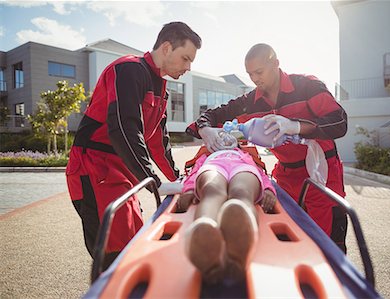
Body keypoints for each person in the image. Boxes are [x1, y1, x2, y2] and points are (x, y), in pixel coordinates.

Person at [186, 43, 349, 252]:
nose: (255, 79)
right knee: (287, 244)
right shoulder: (250, 102)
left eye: (259, 72)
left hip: (323, 176)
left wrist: (295, 126)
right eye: (250, 74)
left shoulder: (307, 86)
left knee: (329, 249)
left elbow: (339, 122)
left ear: (276, 63)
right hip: (286, 178)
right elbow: (210, 116)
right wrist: (205, 130)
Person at [65, 22, 202, 269]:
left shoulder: (161, 87)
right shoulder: (128, 70)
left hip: (124, 173)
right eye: (185, 58)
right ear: (167, 47)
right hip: (96, 169)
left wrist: (178, 179)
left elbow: (159, 141)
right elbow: (123, 129)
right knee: (114, 255)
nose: (188, 67)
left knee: (136, 242)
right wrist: (154, 182)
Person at [176, 140, 277, 284]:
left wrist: (268, 189)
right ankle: (205, 240)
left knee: (241, 191)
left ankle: (238, 254)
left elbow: (261, 173)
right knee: (213, 191)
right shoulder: (207, 155)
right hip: (214, 166)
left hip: (243, 167)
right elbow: (194, 172)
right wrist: (189, 189)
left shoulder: (246, 155)